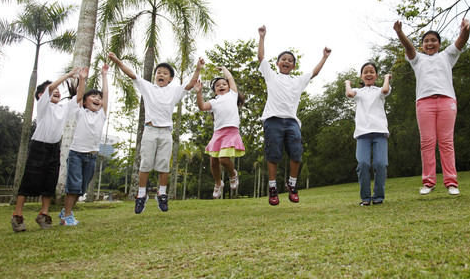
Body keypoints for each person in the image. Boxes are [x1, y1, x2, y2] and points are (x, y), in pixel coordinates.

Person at [109, 52, 204, 213]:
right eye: (159, 72)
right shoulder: (147, 87)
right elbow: (131, 73)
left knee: (163, 165)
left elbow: (190, 84)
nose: (161, 74)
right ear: (154, 76)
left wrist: (198, 69)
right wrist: (117, 61)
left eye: (165, 73)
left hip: (166, 132)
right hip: (150, 131)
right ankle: (141, 195)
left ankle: (162, 193)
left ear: (170, 79)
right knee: (145, 164)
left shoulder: (174, 91)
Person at [393, 19, 470, 195]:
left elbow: (461, 41)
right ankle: (428, 183)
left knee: (446, 142)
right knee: (427, 142)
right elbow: (409, 47)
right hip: (424, 102)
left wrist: (466, 29)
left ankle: (451, 183)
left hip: (446, 101)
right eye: (426, 41)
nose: (430, 43)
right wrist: (399, 32)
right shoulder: (417, 59)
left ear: (439, 44)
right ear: (422, 45)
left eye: (433, 40)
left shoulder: (447, 55)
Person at [257, 25, 331, 205]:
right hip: (273, 120)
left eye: (290, 60)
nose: (286, 62)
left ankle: (292, 184)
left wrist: (324, 57)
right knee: (273, 154)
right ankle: (273, 187)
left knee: (296, 153)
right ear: (277, 63)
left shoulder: (298, 81)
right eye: (283, 59)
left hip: (291, 122)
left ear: (293, 65)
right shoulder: (271, 76)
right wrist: (262, 37)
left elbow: (314, 73)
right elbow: (260, 57)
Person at [10, 68, 84, 232]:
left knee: (49, 183)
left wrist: (83, 78)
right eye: (53, 90)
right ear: (41, 96)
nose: (57, 91)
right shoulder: (43, 106)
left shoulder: (63, 109)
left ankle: (43, 214)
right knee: (28, 182)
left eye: (58, 90)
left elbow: (79, 97)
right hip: (39, 147)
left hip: (53, 148)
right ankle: (18, 214)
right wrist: (69, 75)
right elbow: (50, 89)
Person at [60, 64, 109, 226]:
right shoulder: (81, 112)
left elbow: (106, 94)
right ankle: (67, 216)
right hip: (76, 154)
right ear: (86, 102)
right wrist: (82, 79)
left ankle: (66, 213)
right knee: (73, 186)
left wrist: (104, 75)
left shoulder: (102, 115)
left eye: (99, 98)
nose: (97, 99)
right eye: (93, 96)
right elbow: (79, 96)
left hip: (92, 156)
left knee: (80, 188)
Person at [194, 66, 245, 199]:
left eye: (223, 84)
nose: (221, 86)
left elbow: (230, 78)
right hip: (218, 133)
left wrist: (224, 69)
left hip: (231, 131)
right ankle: (218, 183)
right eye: (218, 85)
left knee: (223, 159)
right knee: (213, 162)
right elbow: (201, 107)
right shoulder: (213, 102)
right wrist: (198, 92)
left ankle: (233, 174)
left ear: (228, 87)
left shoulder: (232, 95)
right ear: (215, 90)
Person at [345, 63, 391, 206]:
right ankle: (365, 198)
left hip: (380, 132)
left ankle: (378, 196)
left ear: (376, 75)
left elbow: (384, 90)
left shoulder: (380, 90)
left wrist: (387, 78)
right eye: (365, 72)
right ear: (361, 76)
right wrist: (347, 83)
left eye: (372, 72)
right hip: (363, 133)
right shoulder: (358, 92)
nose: (369, 74)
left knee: (380, 164)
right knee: (363, 164)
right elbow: (349, 94)